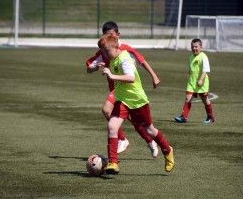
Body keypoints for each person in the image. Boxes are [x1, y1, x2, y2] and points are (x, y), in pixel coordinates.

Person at [97, 34, 174, 174]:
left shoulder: (124, 58)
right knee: (112, 126)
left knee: (149, 130)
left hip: (138, 102)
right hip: (122, 101)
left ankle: (167, 150)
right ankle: (113, 162)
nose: (104, 54)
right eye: (102, 51)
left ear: (116, 47)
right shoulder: (113, 58)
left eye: (106, 51)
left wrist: (112, 76)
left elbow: (131, 78)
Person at [86, 21, 160, 157]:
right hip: (118, 91)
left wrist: (154, 76)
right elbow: (89, 68)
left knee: (111, 111)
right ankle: (142, 141)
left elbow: (142, 61)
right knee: (128, 118)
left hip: (127, 89)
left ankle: (134, 140)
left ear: (117, 35)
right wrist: (94, 68)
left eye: (111, 35)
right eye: (106, 35)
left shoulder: (125, 49)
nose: (109, 39)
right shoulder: (103, 51)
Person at [175, 38, 215, 124]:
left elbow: (205, 70)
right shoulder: (191, 57)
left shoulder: (203, 57)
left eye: (196, 47)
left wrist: (200, 80)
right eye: (192, 47)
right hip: (192, 82)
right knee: (188, 98)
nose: (194, 48)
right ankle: (184, 117)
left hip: (202, 82)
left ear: (201, 47)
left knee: (205, 99)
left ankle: (210, 117)